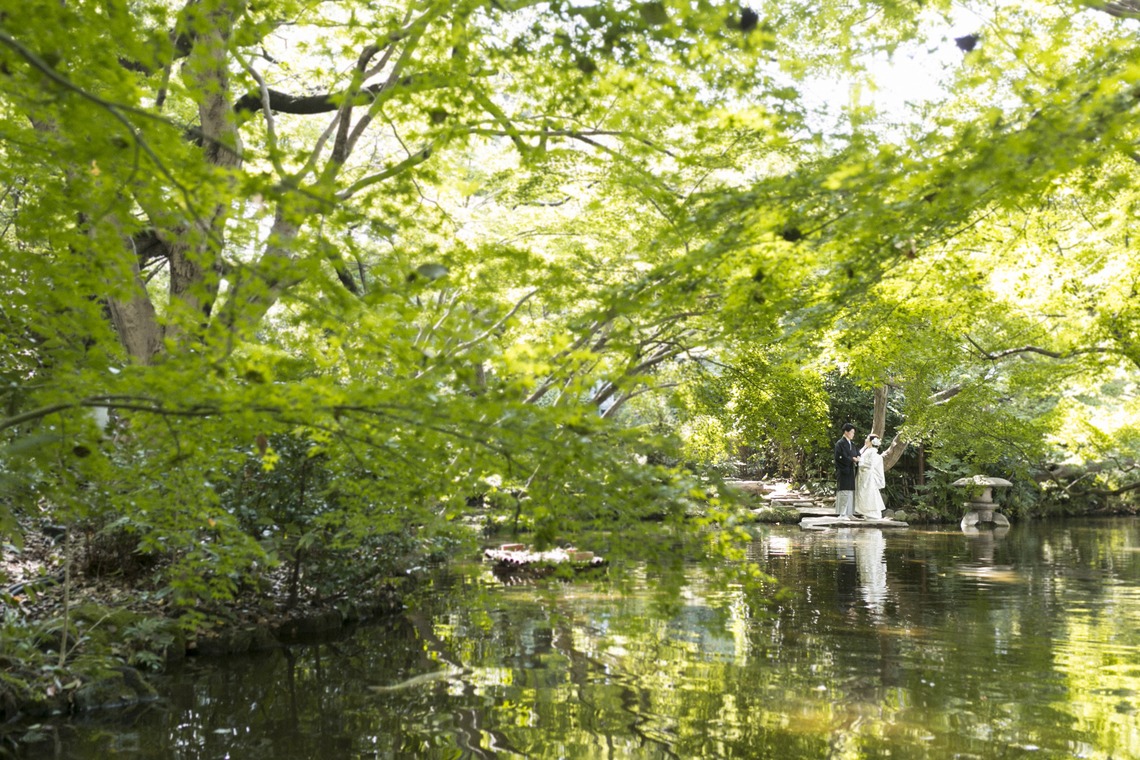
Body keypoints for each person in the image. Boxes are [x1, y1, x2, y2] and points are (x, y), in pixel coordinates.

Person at [854, 434, 886, 519]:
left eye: (867, 439)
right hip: (863, 474)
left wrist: (859, 460)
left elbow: (870, 464)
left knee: (868, 493)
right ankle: (866, 512)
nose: (865, 440)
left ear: (871, 442)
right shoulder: (867, 450)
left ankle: (872, 513)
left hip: (867, 476)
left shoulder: (872, 451)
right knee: (863, 493)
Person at [834, 423, 859, 518]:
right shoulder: (840, 443)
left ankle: (849, 513)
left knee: (851, 491)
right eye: (852, 432)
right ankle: (842, 513)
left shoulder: (852, 444)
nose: (853, 434)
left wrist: (858, 457)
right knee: (844, 491)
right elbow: (840, 457)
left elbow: (857, 453)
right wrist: (852, 459)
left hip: (851, 470)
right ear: (846, 432)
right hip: (843, 470)